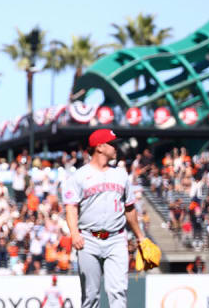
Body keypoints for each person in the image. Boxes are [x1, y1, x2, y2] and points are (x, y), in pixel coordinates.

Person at [62, 129, 147, 308]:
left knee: (118, 292)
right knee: (91, 296)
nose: (116, 147)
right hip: (89, 239)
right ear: (99, 147)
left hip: (116, 239)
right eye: (112, 143)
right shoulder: (79, 176)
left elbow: (129, 208)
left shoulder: (121, 175)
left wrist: (140, 236)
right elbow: (71, 207)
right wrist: (74, 233)